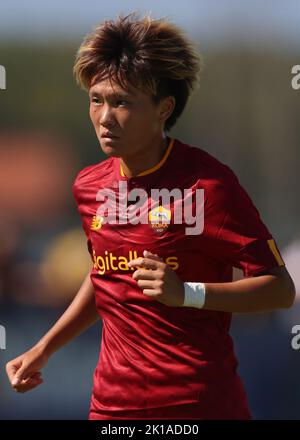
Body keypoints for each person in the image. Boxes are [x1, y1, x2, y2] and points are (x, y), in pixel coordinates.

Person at [6, 13, 295, 420]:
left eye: (122, 102)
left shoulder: (209, 186)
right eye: (96, 99)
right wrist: (44, 348)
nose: (105, 117)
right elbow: (107, 278)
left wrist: (187, 293)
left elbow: (280, 290)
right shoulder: (89, 187)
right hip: (110, 409)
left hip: (197, 407)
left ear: (165, 108)